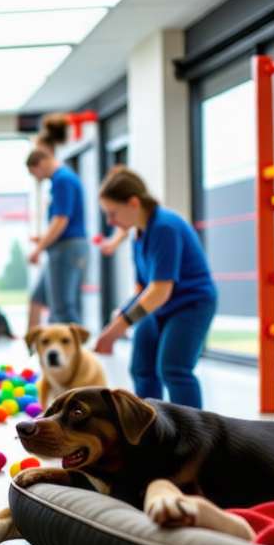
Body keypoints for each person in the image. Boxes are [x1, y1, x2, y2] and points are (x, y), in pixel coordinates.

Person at [93, 167, 218, 408]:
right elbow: (144, 288)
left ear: (133, 202)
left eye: (112, 213)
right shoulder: (139, 235)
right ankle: (150, 429)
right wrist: (123, 312)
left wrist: (120, 325)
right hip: (161, 305)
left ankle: (194, 438)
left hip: (191, 303)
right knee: (142, 366)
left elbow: (160, 291)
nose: (110, 222)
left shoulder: (164, 227)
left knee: (173, 368)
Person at [26, 113, 88, 333]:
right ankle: (34, 349)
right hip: (61, 246)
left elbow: (61, 221)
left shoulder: (63, 179)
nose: (37, 179)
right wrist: (43, 240)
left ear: (43, 159)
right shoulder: (59, 180)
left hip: (67, 248)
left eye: (36, 174)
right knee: (38, 299)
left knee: (62, 309)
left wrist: (38, 249)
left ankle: (79, 359)